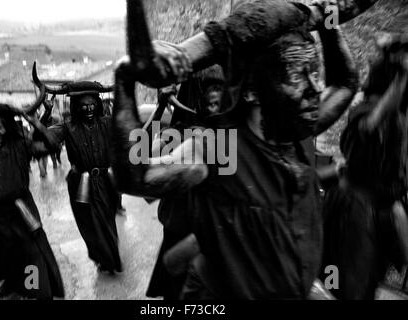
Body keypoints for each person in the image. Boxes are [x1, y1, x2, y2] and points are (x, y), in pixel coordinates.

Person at [112, 0, 358, 299]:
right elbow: (137, 177)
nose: (316, 88)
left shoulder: (299, 130)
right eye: (297, 75)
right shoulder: (220, 148)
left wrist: (328, 18)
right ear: (253, 90)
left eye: (315, 72)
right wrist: (124, 81)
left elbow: (345, 83)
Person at [321, 33, 408, 299]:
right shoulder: (365, 108)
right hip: (353, 209)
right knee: (341, 286)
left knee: (368, 283)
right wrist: (401, 78)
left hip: (383, 208)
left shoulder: (402, 117)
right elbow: (370, 127)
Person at [0, 103, 64, 300]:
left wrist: (36, 123)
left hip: (20, 212)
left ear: (8, 127)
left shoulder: (21, 145)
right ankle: (13, 283)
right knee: (1, 259)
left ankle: (35, 291)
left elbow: (53, 145)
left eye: (0, 126)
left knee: (32, 254)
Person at [146, 68, 224, 300]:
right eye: (211, 88)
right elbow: (139, 165)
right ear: (195, 95)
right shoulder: (174, 135)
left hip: (219, 238)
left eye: (220, 88)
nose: (216, 97)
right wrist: (160, 108)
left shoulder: (232, 134)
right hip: (179, 233)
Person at [45, 84, 123, 274]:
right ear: (75, 108)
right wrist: (46, 113)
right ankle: (100, 257)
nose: (88, 110)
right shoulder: (68, 127)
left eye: (91, 105)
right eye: (83, 106)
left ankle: (110, 259)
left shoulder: (107, 122)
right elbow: (45, 138)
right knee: (89, 225)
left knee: (107, 222)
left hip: (105, 181)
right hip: (81, 181)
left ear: (97, 105)